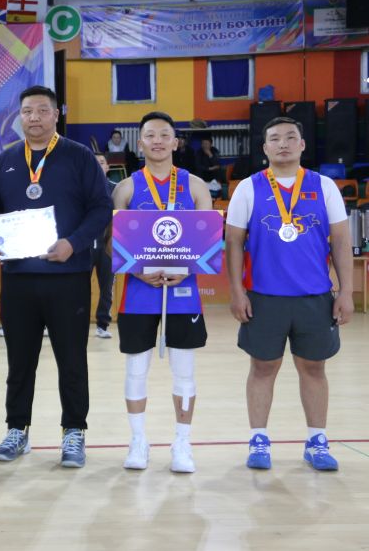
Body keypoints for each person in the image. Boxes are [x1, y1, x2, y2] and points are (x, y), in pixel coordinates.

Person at [0, 86, 111, 465]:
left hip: (68, 277)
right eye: (27, 111)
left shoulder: (79, 157)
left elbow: (101, 208)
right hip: (19, 279)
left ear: (56, 115)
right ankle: (17, 429)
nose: (34, 117)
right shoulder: (6, 160)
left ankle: (74, 431)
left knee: (71, 360)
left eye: (42, 110)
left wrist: (74, 243)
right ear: (19, 117)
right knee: (19, 361)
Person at [225, 116, 352, 472]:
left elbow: (341, 240)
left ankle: (316, 440)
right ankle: (258, 440)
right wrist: (236, 291)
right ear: (264, 148)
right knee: (263, 367)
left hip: (315, 297)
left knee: (314, 367)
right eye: (275, 138)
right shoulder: (248, 188)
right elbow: (233, 243)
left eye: (290, 137)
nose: (283, 143)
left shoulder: (324, 186)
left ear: (302, 144)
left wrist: (346, 292)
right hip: (264, 297)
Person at [111, 112, 212, 473]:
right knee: (136, 369)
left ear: (175, 142)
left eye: (164, 135)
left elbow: (208, 241)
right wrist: (138, 270)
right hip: (138, 292)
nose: (157, 141)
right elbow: (112, 244)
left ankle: (182, 443)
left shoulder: (195, 186)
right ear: (140, 142)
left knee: (184, 371)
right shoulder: (125, 188)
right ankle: (138, 440)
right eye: (150, 135)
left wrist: (184, 269)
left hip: (183, 293)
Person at [92, 153, 116, 340]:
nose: (98, 166)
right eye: (94, 163)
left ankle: (102, 324)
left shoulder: (116, 189)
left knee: (106, 287)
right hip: (83, 245)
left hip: (107, 244)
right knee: (76, 287)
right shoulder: (80, 187)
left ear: (107, 167)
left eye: (101, 162)